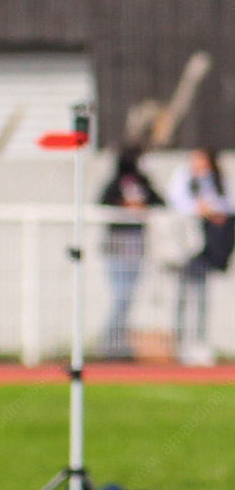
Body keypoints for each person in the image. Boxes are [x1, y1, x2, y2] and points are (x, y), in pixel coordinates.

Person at [167, 148, 233, 366]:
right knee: (183, 296)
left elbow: (228, 204)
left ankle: (199, 343)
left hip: (207, 245)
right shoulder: (184, 177)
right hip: (185, 244)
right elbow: (175, 201)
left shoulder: (218, 180)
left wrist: (213, 210)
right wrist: (198, 208)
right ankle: (180, 343)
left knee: (201, 296)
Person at [98, 147, 163, 358]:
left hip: (136, 244)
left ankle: (118, 341)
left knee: (129, 295)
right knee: (121, 295)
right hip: (118, 244)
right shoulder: (115, 182)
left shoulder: (144, 182)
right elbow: (103, 202)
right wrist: (124, 205)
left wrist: (142, 205)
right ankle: (109, 341)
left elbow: (160, 202)